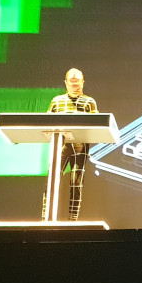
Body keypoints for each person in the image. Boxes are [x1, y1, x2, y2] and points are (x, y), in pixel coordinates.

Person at [43, 68, 99, 220]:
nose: (75, 85)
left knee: (76, 183)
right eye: (72, 82)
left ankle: (73, 219)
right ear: (65, 83)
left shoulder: (89, 102)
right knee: (52, 179)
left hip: (80, 146)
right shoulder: (57, 101)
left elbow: (98, 124)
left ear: (83, 82)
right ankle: (45, 217)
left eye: (77, 82)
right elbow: (45, 122)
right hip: (60, 145)